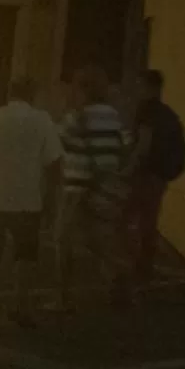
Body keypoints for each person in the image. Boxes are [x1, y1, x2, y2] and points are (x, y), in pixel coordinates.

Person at [0, 78, 62, 327]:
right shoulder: (42, 120)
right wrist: (52, 200)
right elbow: (54, 162)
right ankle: (22, 308)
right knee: (25, 255)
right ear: (33, 95)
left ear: (10, 94)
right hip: (27, 200)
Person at [56, 66, 129, 309]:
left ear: (82, 89)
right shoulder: (112, 115)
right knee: (98, 240)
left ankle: (62, 297)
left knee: (63, 240)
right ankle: (117, 280)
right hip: (104, 186)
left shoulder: (76, 116)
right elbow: (123, 144)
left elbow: (61, 142)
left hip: (76, 187)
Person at [129, 70, 185, 285]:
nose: (136, 90)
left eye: (139, 85)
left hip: (144, 174)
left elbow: (143, 144)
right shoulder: (167, 113)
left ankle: (132, 269)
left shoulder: (146, 110)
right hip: (160, 176)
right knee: (149, 222)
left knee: (126, 220)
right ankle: (145, 269)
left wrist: (127, 169)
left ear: (148, 86)